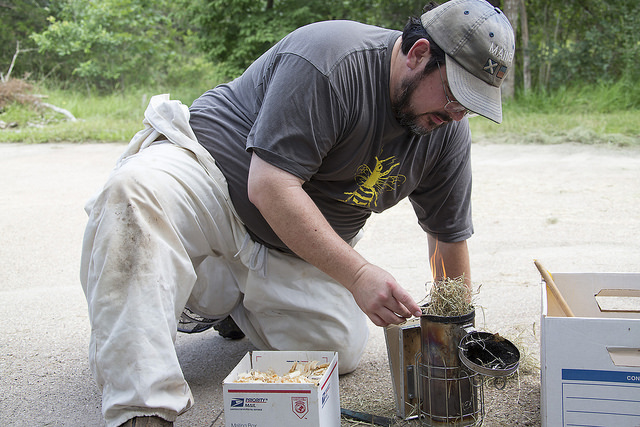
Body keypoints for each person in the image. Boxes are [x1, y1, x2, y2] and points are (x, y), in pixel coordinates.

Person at [80, 0, 515, 425]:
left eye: (472, 104)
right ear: (419, 54)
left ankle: (227, 304)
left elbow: (447, 237)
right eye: (456, 93)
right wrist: (359, 275)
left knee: (337, 351)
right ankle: (143, 404)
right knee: (134, 195)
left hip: (289, 245)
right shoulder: (332, 58)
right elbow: (270, 186)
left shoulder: (446, 132)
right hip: (210, 179)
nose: (458, 114)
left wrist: (457, 331)